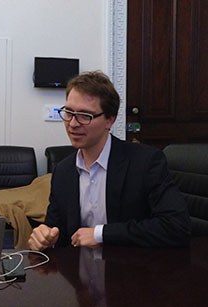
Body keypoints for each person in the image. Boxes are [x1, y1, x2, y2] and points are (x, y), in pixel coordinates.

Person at [28, 71, 190, 251]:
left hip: (132, 271)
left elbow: (176, 226)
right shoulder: (63, 171)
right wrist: (44, 237)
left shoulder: (145, 162)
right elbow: (57, 232)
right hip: (79, 273)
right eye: (68, 113)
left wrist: (101, 234)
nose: (73, 124)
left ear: (110, 120)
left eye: (84, 115)